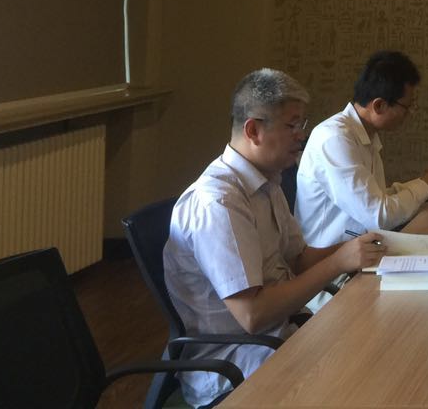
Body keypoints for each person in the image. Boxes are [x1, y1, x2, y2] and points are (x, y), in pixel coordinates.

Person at [164, 69, 384, 408]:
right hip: (234, 366)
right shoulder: (219, 202)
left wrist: (359, 248)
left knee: (374, 352)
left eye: (302, 124)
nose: (301, 136)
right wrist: (338, 263)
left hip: (278, 337)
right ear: (253, 130)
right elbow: (253, 314)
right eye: (292, 125)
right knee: (365, 382)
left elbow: (299, 259)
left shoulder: (267, 182)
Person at [296, 50, 428, 245]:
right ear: (379, 105)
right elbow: (379, 216)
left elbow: (377, 199)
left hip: (360, 250)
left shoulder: (363, 134)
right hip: (331, 259)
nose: (410, 113)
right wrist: (426, 184)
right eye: (407, 107)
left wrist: (427, 185)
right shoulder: (335, 138)